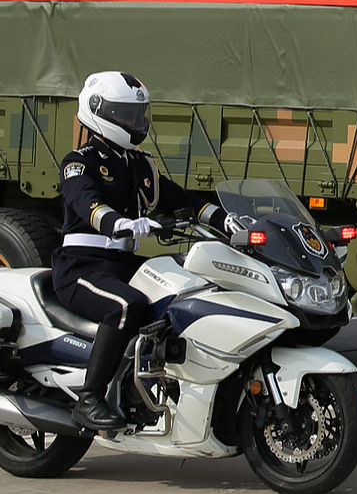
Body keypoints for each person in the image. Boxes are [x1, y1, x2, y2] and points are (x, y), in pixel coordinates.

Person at [56, 71, 241, 432]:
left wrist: (225, 219)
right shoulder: (80, 161)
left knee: (185, 293)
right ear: (100, 112)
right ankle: (89, 399)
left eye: (138, 115)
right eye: (126, 115)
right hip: (82, 267)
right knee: (127, 306)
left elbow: (182, 200)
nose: (134, 122)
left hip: (122, 263)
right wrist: (118, 223)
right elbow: (85, 202)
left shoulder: (140, 164)